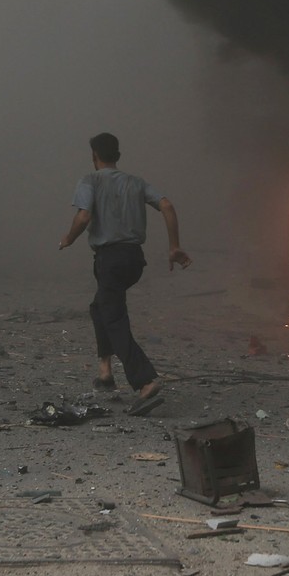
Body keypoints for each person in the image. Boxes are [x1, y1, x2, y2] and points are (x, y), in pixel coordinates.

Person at [58, 132, 191, 415]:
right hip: (133, 260)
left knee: (114, 317)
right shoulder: (136, 182)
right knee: (100, 307)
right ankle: (105, 372)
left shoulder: (89, 180)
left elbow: (83, 216)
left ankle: (145, 381)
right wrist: (174, 246)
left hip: (110, 259)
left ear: (94, 156)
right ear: (117, 155)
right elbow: (166, 205)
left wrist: (68, 238)